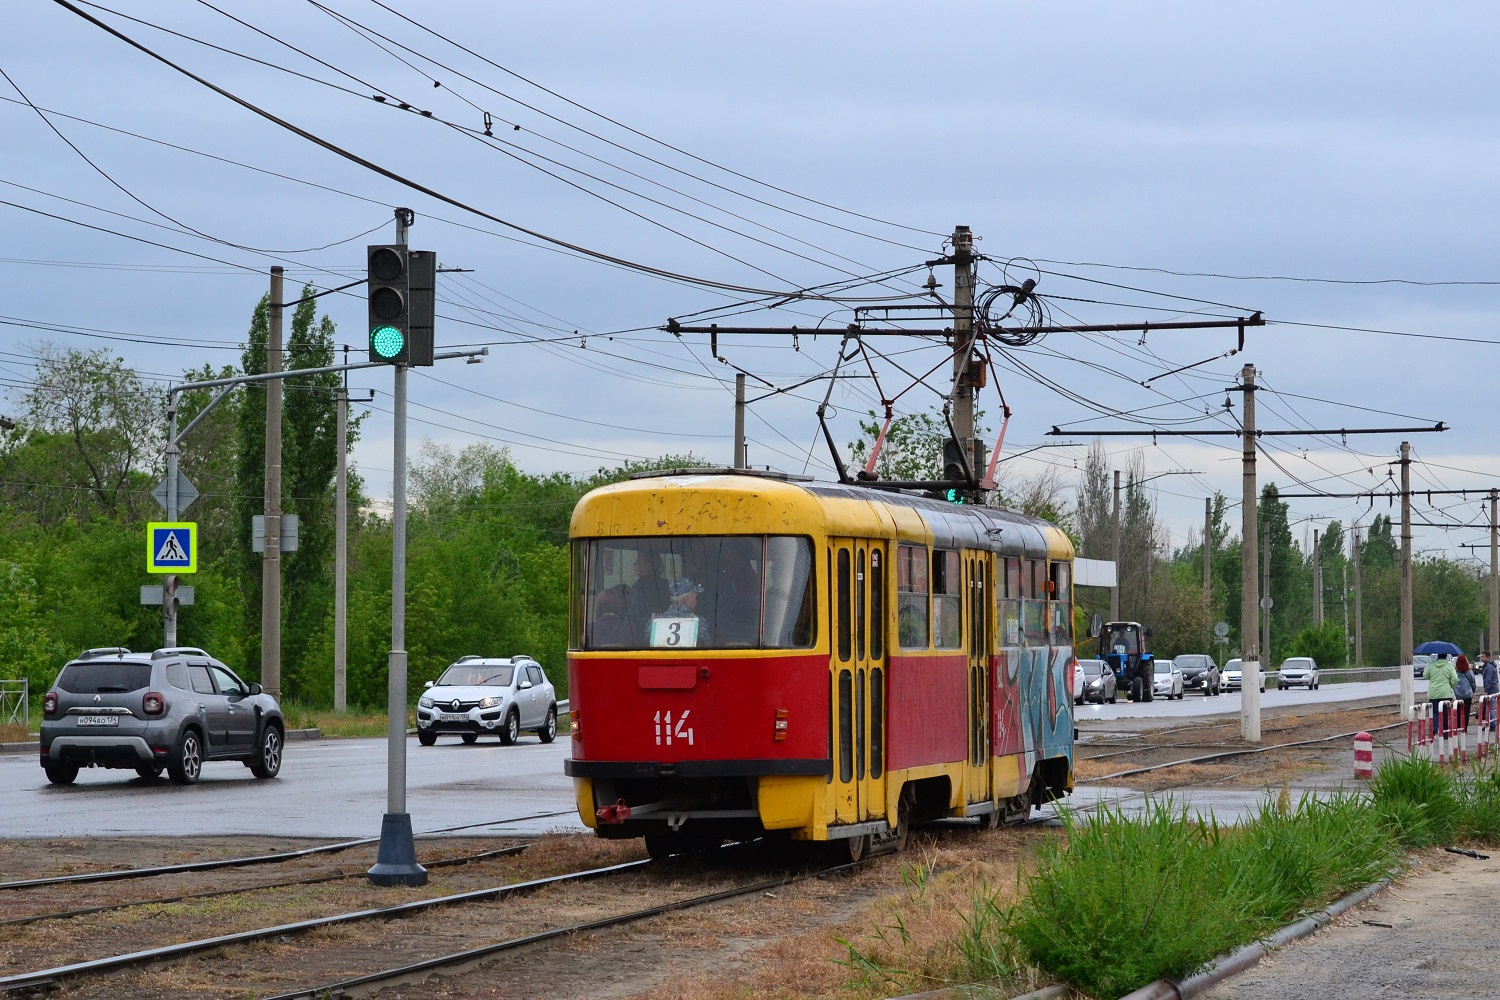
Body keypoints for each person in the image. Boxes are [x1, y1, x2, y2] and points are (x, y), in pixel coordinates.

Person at [1425, 652, 1459, 741]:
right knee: (1445, 714)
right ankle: (1445, 733)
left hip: (1433, 693)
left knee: (1434, 712)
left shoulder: (1431, 666)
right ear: (1446, 657)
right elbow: (1455, 679)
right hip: (1445, 693)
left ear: (1437, 657)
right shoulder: (1449, 666)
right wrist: (1451, 685)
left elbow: (1425, 676)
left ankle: (1434, 729)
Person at [1454, 654, 1476, 733]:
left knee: (1457, 711)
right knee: (1466, 712)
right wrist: (1473, 691)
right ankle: (1464, 728)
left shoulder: (1455, 672)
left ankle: (1458, 726)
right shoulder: (1469, 671)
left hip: (1457, 695)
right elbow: (1472, 682)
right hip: (1467, 694)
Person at [1482, 651, 1500, 731]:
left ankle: (1492, 725)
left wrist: (1486, 690)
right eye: (1481, 657)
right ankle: (1490, 724)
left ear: (1488, 657)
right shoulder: (1488, 666)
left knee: (1489, 707)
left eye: (1483, 657)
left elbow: (1488, 679)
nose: (1482, 659)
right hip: (1493, 688)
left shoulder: (1489, 667)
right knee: (1489, 706)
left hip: (1491, 689)